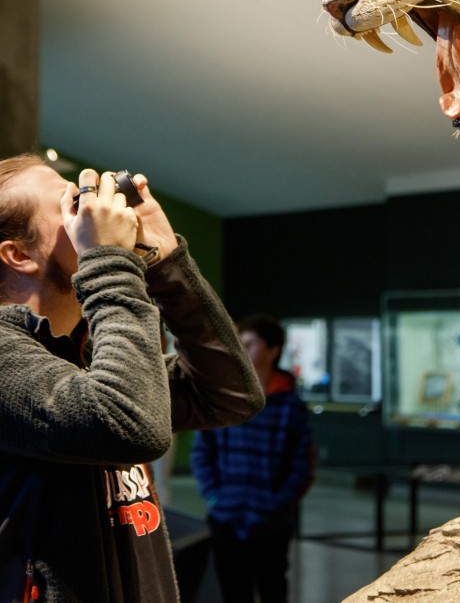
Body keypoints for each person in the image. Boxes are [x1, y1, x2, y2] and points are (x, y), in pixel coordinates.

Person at [0, 153, 264, 602]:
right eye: (70, 202)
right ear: (18, 254)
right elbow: (128, 423)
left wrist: (168, 267)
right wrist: (107, 260)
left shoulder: (85, 351)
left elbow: (229, 395)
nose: (94, 208)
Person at [190, 314, 315, 603]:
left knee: (272, 589)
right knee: (234, 591)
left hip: (271, 522)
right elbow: (202, 451)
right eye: (240, 342)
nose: (243, 348)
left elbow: (303, 464)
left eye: (251, 342)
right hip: (226, 518)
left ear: (273, 350)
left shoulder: (290, 406)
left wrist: (276, 503)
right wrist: (215, 498)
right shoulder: (223, 396)